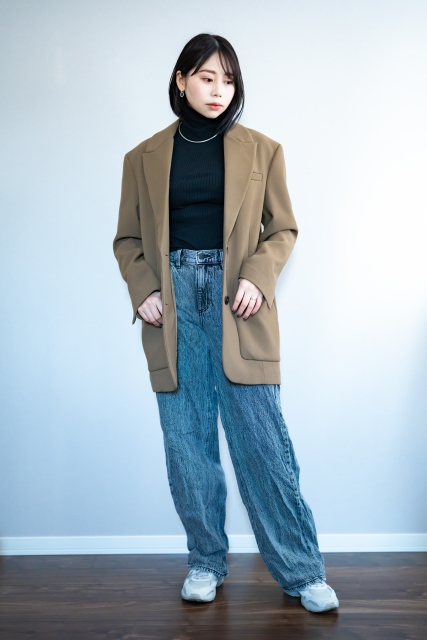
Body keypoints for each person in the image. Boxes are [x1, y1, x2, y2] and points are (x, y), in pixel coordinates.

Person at [113, 33, 339, 613]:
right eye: (207, 77)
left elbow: (282, 229)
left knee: (262, 443)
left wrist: (257, 277)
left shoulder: (263, 150)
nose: (219, 90)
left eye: (229, 80)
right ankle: (205, 562)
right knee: (187, 444)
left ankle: (302, 571)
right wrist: (144, 290)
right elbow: (128, 239)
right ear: (181, 80)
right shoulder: (142, 157)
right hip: (172, 306)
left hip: (239, 303)